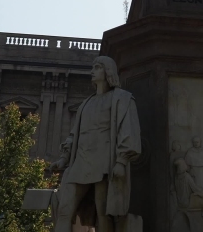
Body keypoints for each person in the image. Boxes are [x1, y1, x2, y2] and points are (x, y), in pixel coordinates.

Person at [50, 56, 141, 232]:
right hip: (79, 163)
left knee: (103, 215)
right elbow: (74, 134)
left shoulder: (122, 99)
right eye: (93, 67)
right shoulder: (86, 103)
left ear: (108, 71)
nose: (92, 71)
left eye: (97, 67)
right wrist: (64, 158)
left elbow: (128, 131)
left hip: (104, 164)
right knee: (64, 210)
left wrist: (121, 161)